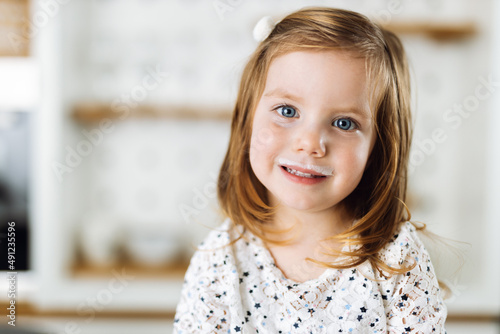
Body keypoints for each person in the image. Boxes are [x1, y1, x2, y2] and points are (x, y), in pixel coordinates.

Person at [174, 7, 447, 333]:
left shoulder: (398, 261)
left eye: (344, 123)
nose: (311, 143)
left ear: (377, 146)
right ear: (247, 118)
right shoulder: (218, 263)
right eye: (287, 111)